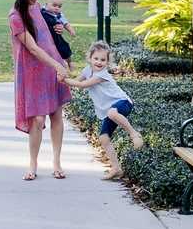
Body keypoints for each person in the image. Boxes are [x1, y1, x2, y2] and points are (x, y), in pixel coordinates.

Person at [8, 0, 72, 181]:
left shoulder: (37, 8)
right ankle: (33, 164)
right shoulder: (15, 16)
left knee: (56, 115)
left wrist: (60, 29)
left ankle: (57, 163)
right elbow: (33, 48)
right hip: (34, 72)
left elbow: (48, 34)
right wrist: (56, 65)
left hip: (53, 65)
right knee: (37, 119)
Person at [61, 40, 143, 181]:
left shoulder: (102, 74)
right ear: (90, 58)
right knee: (103, 138)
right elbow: (75, 81)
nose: (99, 62)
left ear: (107, 61)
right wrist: (63, 78)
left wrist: (64, 81)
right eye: (96, 59)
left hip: (123, 103)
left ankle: (134, 134)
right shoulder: (87, 71)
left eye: (103, 60)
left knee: (112, 113)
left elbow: (82, 85)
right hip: (110, 110)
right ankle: (117, 169)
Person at [40, 0, 76, 69]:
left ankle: (69, 62)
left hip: (56, 37)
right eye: (54, 5)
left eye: (59, 6)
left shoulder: (59, 16)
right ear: (46, 4)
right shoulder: (40, 11)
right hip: (45, 37)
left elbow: (66, 23)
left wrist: (71, 30)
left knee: (65, 49)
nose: (57, 8)